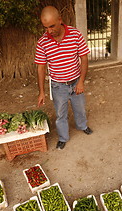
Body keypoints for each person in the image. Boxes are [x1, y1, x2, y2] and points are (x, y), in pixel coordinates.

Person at [35, 6, 93, 150]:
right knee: (61, 114)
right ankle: (63, 137)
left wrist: (81, 82)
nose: (49, 31)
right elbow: (41, 67)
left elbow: (84, 58)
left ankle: (82, 125)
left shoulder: (75, 34)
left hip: (75, 82)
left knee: (79, 108)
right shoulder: (42, 42)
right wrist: (42, 91)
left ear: (60, 20)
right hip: (58, 86)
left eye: (52, 26)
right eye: (46, 27)